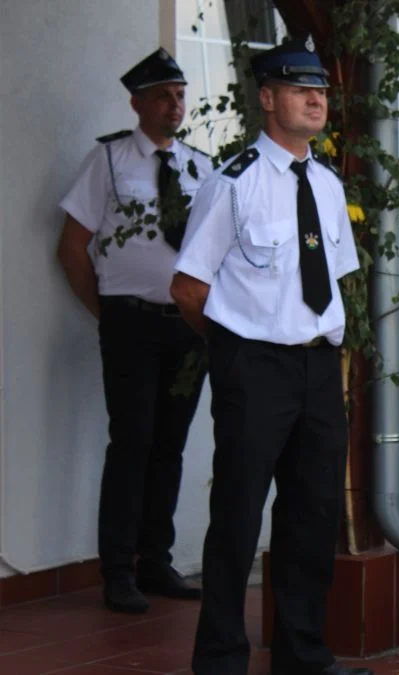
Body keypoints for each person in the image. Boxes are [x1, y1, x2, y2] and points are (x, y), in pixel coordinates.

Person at [170, 39, 371, 675]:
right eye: (298, 88)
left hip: (316, 369)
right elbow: (189, 288)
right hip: (253, 367)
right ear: (267, 98)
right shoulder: (232, 185)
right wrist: (237, 346)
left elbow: (333, 281)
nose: (316, 99)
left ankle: (302, 655)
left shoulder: (330, 186)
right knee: (237, 514)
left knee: (311, 518)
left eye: (321, 90)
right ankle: (222, 659)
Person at [57, 47, 211, 614]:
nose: (175, 105)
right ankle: (117, 571)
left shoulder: (201, 166)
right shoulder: (111, 161)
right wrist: (108, 313)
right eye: (163, 96)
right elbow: (73, 247)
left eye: (179, 95)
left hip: (189, 329)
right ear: (137, 103)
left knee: (169, 445)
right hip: (130, 325)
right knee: (133, 443)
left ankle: (155, 561)